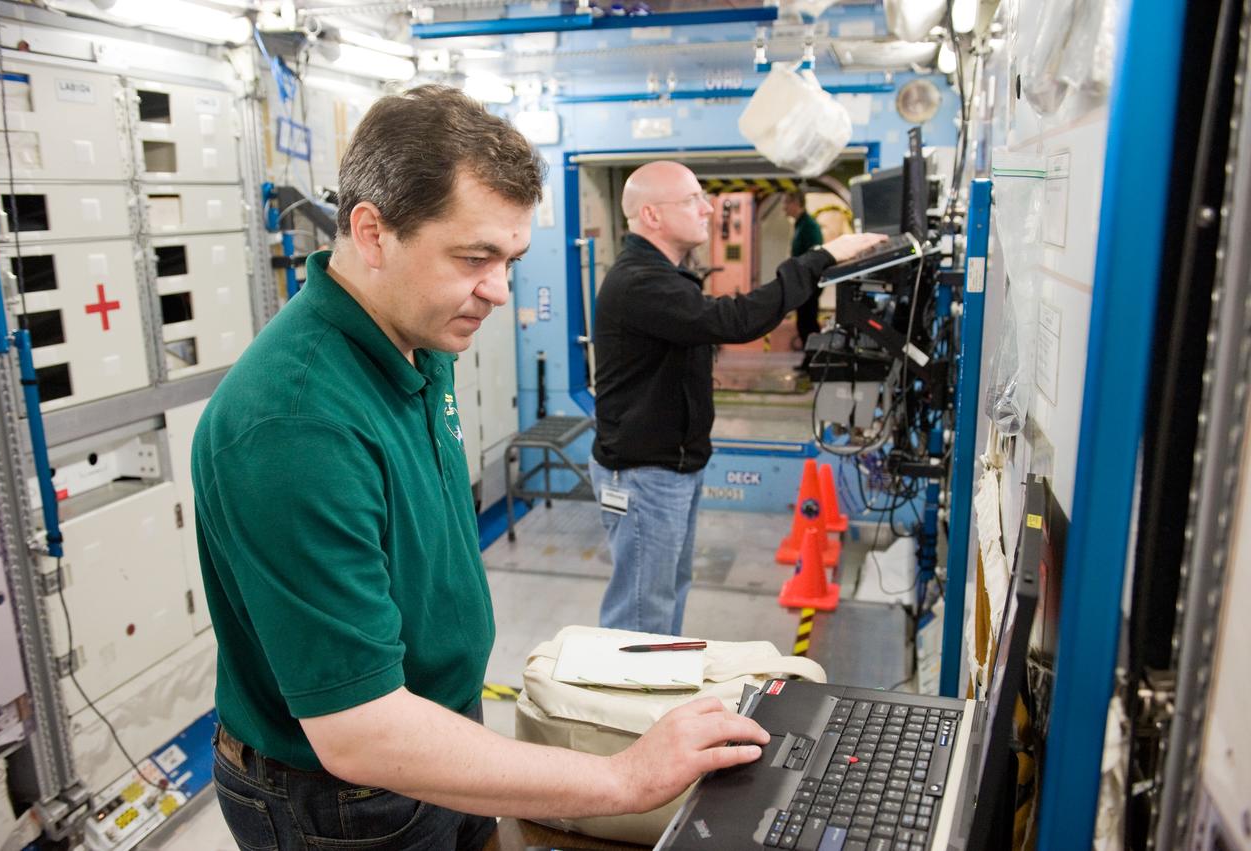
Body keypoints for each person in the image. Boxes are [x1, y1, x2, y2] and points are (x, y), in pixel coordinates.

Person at [192, 87, 769, 851]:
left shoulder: (417, 335)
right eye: (474, 257)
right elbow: (360, 731)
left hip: (442, 732)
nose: (499, 290)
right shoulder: (294, 425)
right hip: (347, 796)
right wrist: (623, 779)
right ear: (372, 232)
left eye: (510, 260)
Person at [589, 162, 886, 636]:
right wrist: (820, 258)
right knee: (641, 612)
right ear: (651, 215)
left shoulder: (662, 275)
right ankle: (633, 684)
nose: (707, 208)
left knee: (665, 594)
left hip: (668, 467)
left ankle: (658, 677)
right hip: (644, 475)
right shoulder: (640, 282)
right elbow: (736, 320)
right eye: (692, 200)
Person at [784, 190, 826, 360]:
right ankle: (809, 360)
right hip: (803, 282)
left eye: (786, 203)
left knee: (808, 322)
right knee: (803, 322)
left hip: (809, 283)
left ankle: (814, 360)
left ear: (796, 203)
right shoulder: (800, 225)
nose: (784, 208)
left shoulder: (809, 226)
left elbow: (813, 256)